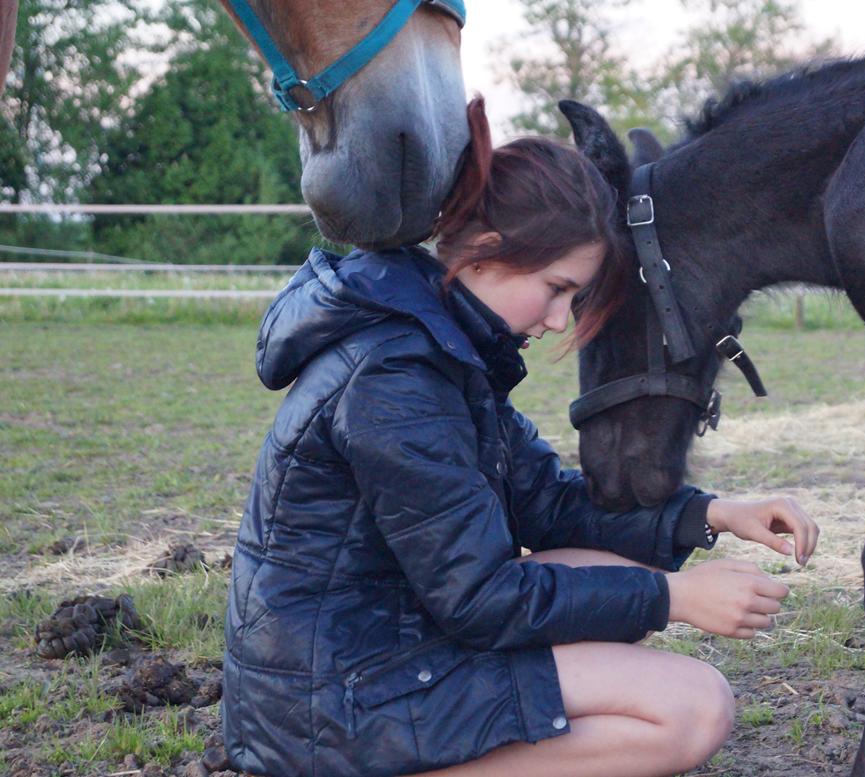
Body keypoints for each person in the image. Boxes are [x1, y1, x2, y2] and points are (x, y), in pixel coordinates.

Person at [222, 97, 819, 777]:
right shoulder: (395, 377)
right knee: (694, 706)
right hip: (330, 707)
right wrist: (675, 596)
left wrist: (711, 514)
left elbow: (551, 504)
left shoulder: (439, 348)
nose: (562, 320)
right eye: (557, 288)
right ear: (484, 254)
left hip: (384, 653)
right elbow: (482, 598)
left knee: (609, 576)